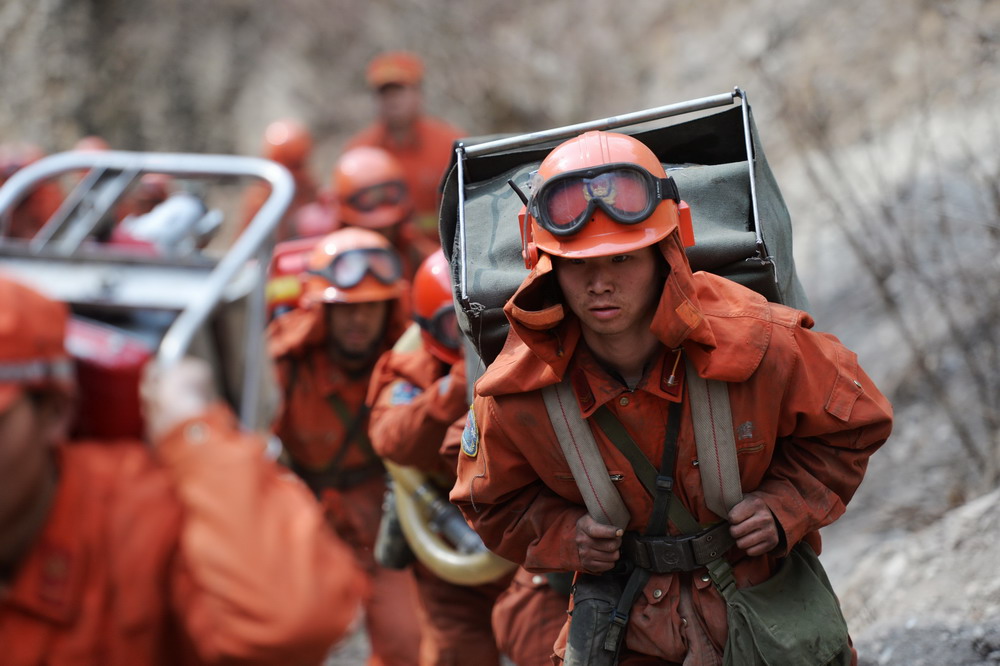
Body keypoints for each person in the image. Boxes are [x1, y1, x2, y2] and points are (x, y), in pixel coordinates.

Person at [449, 131, 894, 664]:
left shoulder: (757, 340)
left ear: (665, 252)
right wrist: (568, 537)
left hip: (765, 612)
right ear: (545, 264)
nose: (599, 284)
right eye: (578, 264)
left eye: (622, 260)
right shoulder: (517, 390)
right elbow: (488, 501)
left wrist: (785, 506)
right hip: (629, 622)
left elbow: (855, 423)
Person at [0, 274, 365, 665]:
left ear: (54, 412)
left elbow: (293, 620)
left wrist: (194, 430)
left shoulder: (140, 514)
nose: (357, 323)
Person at [266, 226, 423, 666]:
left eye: (372, 307)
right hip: (301, 505)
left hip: (379, 504)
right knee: (282, 635)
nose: (359, 320)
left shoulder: (408, 362)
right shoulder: (285, 361)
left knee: (407, 640)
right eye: (347, 309)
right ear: (323, 311)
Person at [367, 249, 512, 665]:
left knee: (546, 645)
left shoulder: (524, 356)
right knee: (455, 654)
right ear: (430, 327)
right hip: (451, 554)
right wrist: (455, 389)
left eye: (473, 321)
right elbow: (391, 438)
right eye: (455, 326)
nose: (467, 335)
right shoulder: (412, 369)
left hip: (528, 543)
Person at [344, 51, 463, 251]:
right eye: (384, 93)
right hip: (380, 262)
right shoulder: (357, 154)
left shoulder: (452, 145)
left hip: (444, 259)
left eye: (399, 90)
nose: (392, 100)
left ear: (419, 94)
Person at [331, 146, 429, 276]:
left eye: (387, 228)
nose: (383, 234)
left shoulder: (415, 252)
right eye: (373, 230)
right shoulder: (331, 257)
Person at [240, 118, 323, 243]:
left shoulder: (308, 187)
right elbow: (249, 240)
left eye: (298, 163)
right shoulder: (261, 195)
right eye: (293, 163)